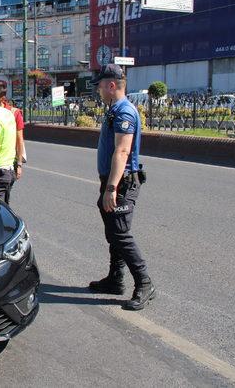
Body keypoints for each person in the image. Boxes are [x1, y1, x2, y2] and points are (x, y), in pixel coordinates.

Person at [89, 64, 154, 311]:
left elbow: (123, 150)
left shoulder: (124, 112)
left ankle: (144, 284)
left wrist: (111, 188)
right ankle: (115, 279)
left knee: (120, 234)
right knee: (113, 232)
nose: (98, 91)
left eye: (100, 86)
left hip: (122, 182)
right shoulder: (115, 109)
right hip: (113, 181)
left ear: (112, 85)